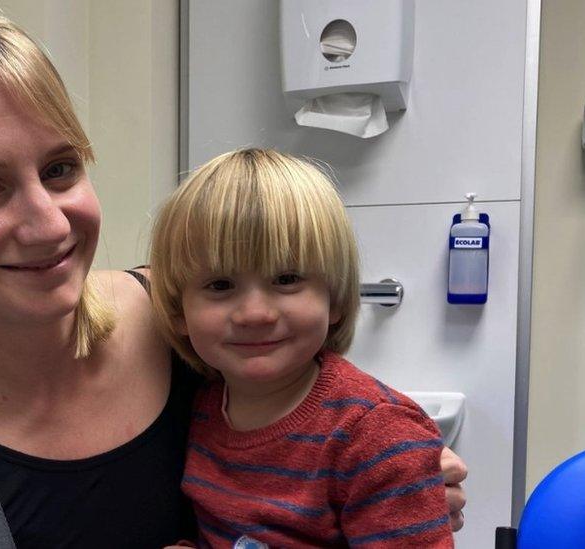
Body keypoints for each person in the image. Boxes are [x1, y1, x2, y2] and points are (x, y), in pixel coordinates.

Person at [0, 9, 466, 548]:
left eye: (60, 168)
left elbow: (335, 430)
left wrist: (401, 479)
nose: (50, 225)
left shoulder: (195, 319)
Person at [149, 148, 455, 548]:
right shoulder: (204, 404)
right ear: (178, 313)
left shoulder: (377, 437)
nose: (254, 314)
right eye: (220, 285)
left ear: (337, 300)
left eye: (287, 278)